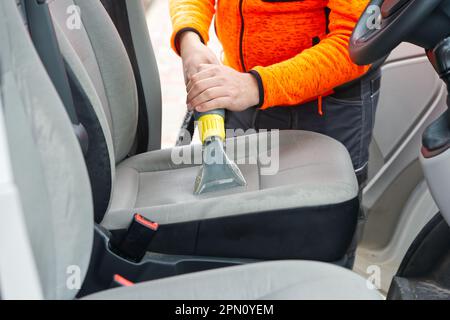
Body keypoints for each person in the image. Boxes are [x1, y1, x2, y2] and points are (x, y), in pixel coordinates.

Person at [169, 0, 381, 185]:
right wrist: (189, 38)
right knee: (233, 208)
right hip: (239, 94)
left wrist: (254, 86)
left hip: (323, 110)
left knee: (320, 220)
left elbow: (356, 44)